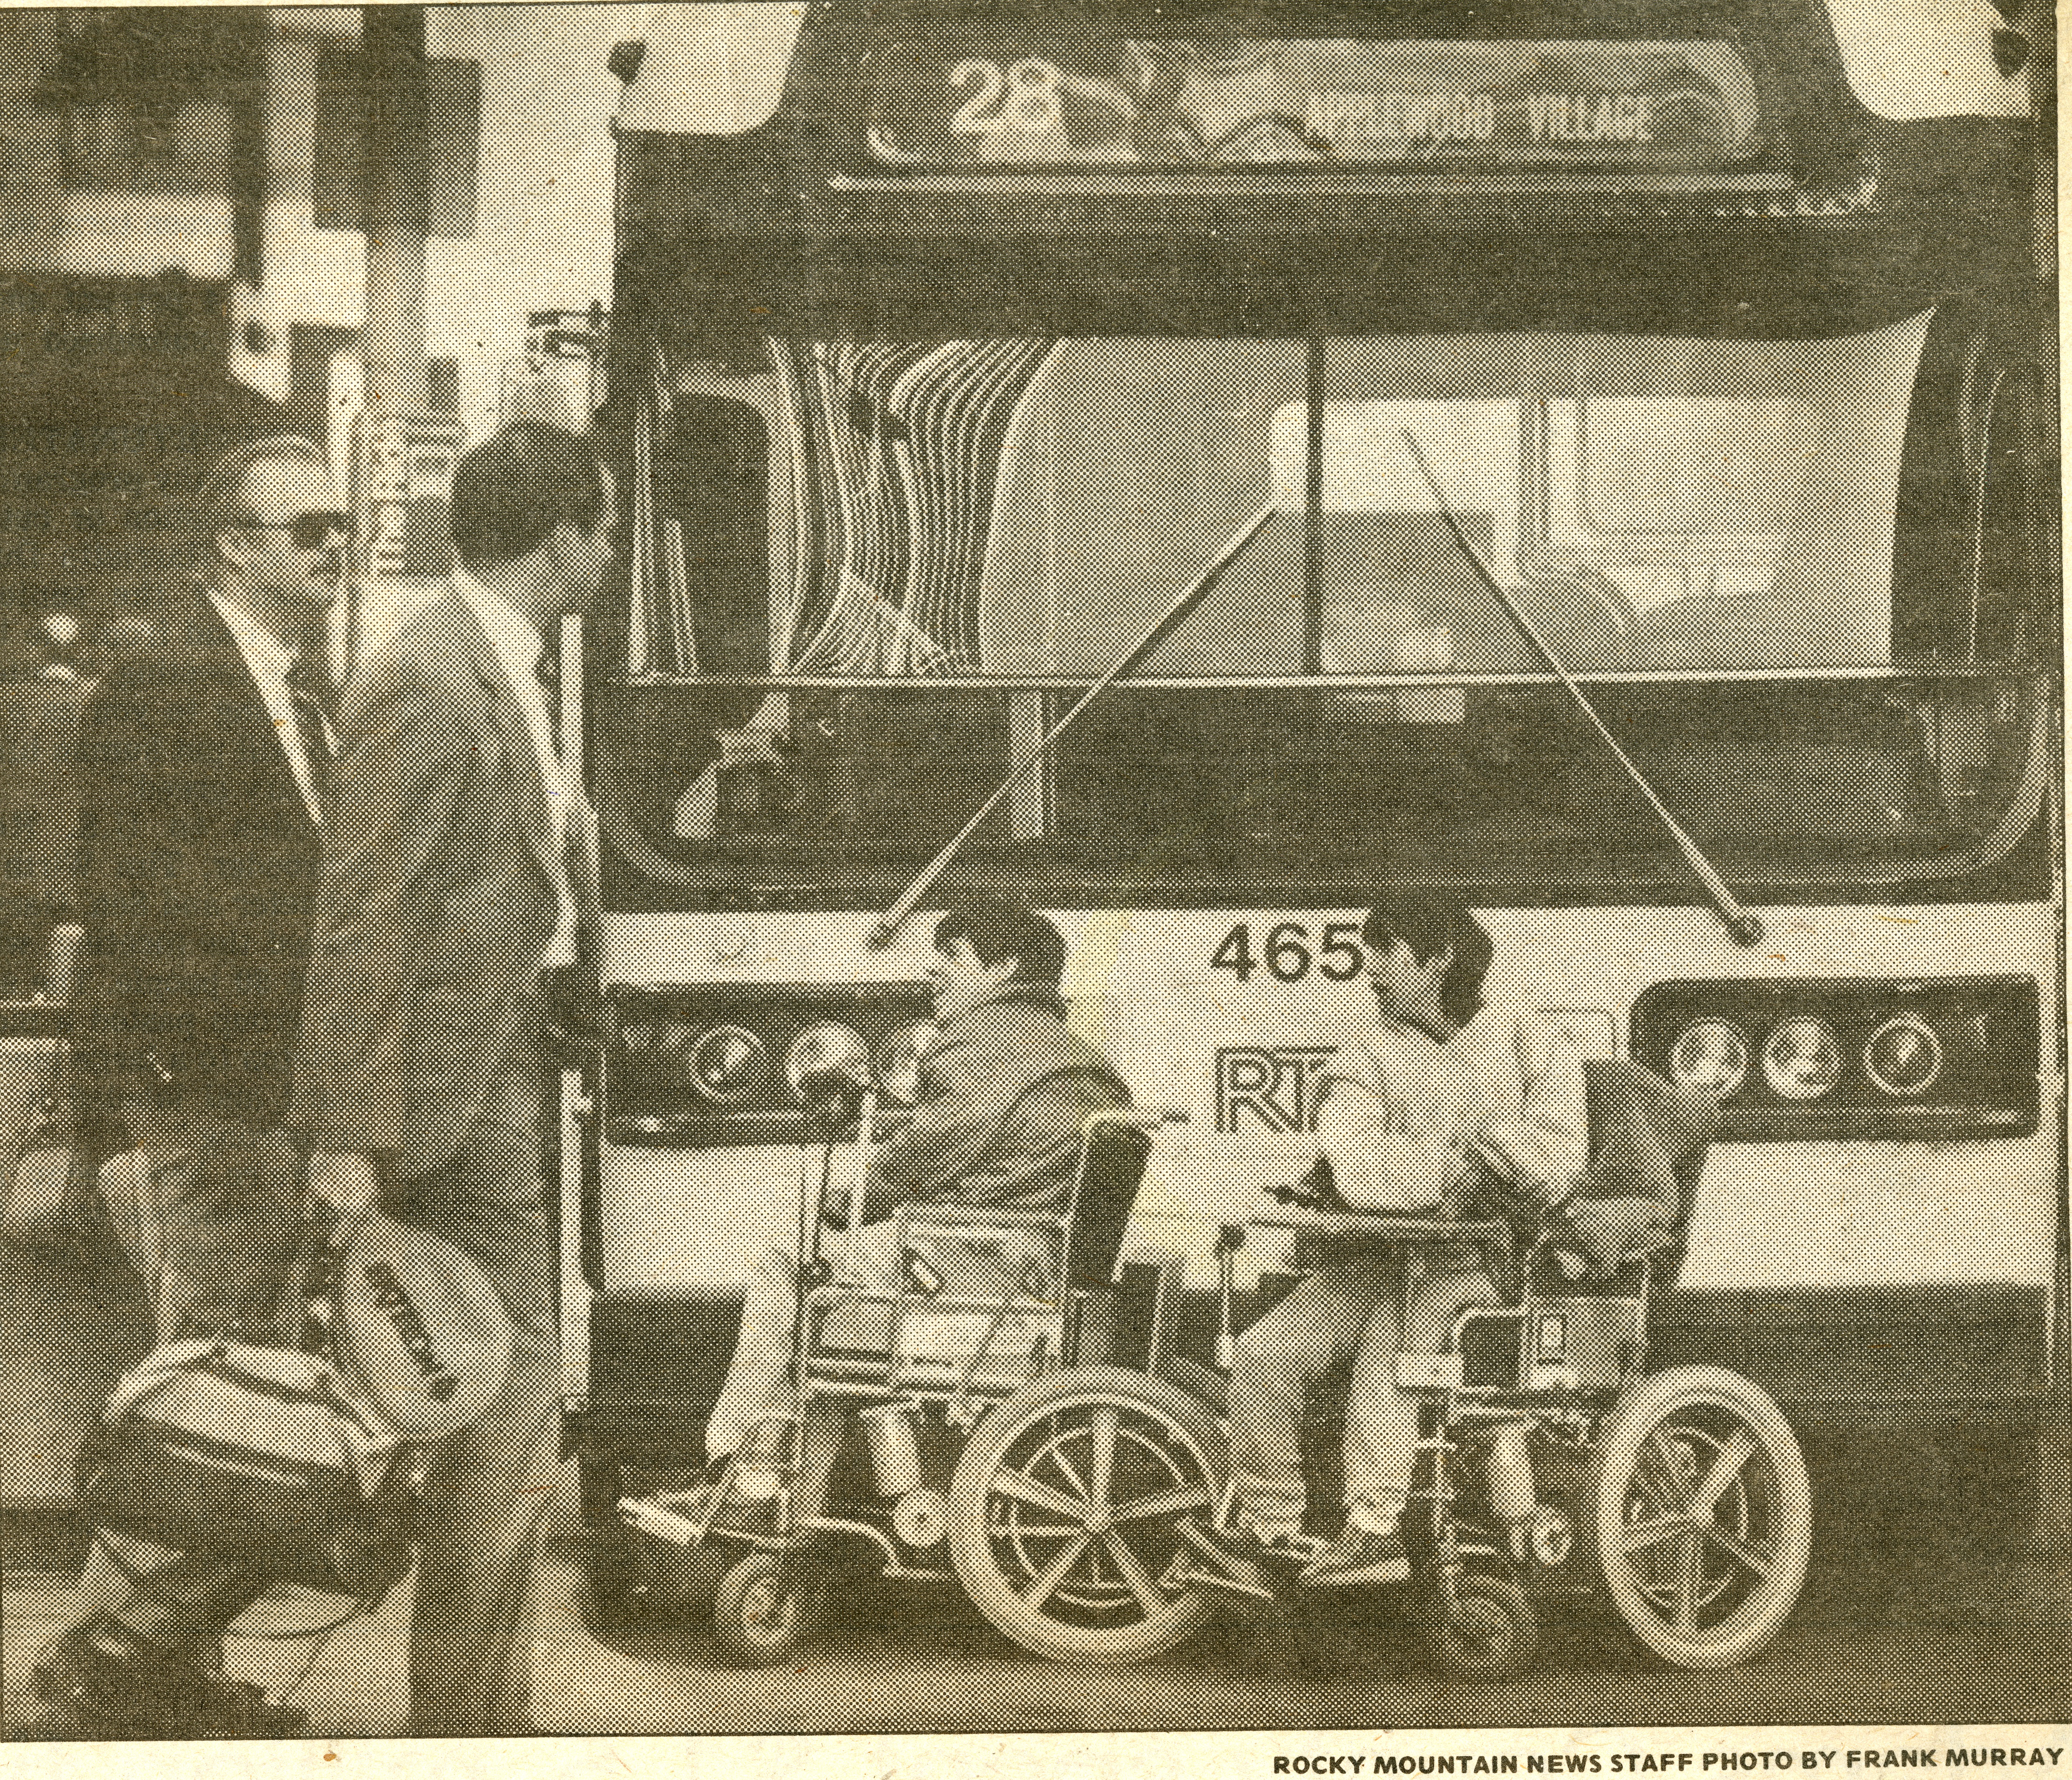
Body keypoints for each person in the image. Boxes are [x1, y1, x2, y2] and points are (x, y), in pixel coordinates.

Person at [284, 420, 615, 1734]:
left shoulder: (497, 664)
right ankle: (473, 1723)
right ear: (561, 537)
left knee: (492, 1401)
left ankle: (479, 1710)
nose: (610, 550)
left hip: (496, 1069)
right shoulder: (431, 676)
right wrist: (350, 1133)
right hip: (449, 1099)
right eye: (603, 526)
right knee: (501, 1397)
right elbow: (361, 911)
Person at [33, 436, 345, 1734]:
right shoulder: (167, 686)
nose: (335, 545)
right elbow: (132, 900)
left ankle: (153, 1664)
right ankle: (107, 1669)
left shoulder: (302, 692)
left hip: (269, 1102)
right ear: (236, 544)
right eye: (309, 527)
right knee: (212, 1397)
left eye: (338, 525)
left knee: (242, 1394)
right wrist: (184, 1080)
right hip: (219, 1103)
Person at [1229, 895, 1588, 1588]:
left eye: (1386, 949)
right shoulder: (1363, 1049)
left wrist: (1470, 1161)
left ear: (1439, 958)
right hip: (1378, 1255)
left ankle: (1373, 1528)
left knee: (1387, 1357)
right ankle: (1269, 1523)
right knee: (1262, 1351)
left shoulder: (1527, 1039)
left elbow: (1557, 1154)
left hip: (1477, 1262)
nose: (1369, 967)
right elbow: (1355, 1160)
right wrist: (1459, 1162)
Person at [705, 897, 1130, 1466]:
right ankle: (785, 1482)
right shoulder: (1081, 1058)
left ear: (1003, 968)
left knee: (787, 1268)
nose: (933, 970)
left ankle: (742, 1468)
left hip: (971, 1267)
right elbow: (988, 1141)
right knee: (827, 1298)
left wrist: (856, 1195)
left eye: (951, 956)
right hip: (1031, 1266)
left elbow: (939, 1144)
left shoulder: (979, 1039)